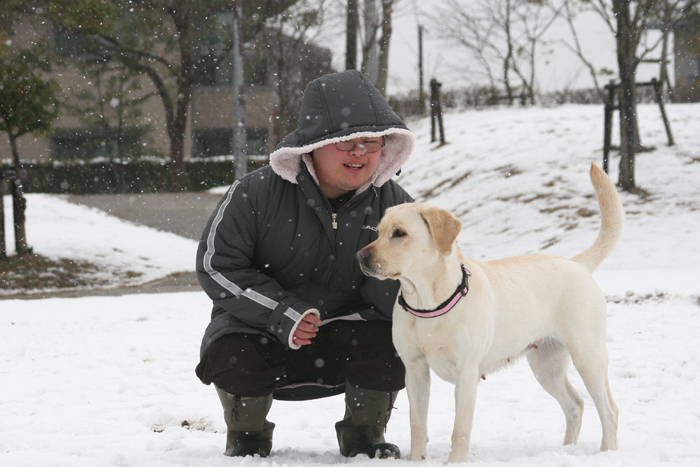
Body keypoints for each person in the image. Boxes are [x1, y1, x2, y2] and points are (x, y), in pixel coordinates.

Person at [194, 70, 415, 459]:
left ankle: (365, 436)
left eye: (371, 142)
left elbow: (423, 276)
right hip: (265, 333)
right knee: (230, 349)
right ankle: (247, 438)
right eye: (345, 143)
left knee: (395, 342)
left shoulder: (395, 206)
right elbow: (217, 265)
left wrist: (455, 336)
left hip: (349, 340)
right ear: (313, 145)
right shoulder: (253, 193)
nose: (360, 153)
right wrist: (282, 312)